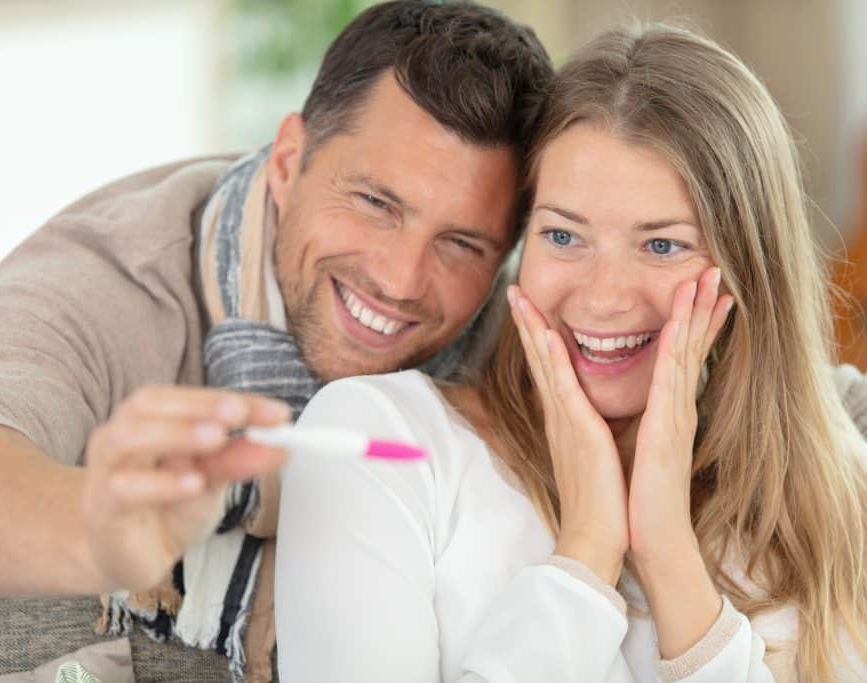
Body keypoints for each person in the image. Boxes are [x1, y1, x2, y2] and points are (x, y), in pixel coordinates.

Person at [0, 1, 553, 678]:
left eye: (462, 243)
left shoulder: (521, 333)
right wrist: (98, 531)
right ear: (288, 161)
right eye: (375, 203)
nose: (400, 280)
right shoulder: (116, 273)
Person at [276, 23, 867, 682]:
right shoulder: (379, 442)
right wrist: (586, 552)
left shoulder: (833, 492)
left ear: (743, 271)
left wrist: (668, 550)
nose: (604, 298)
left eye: (662, 244)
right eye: (562, 234)